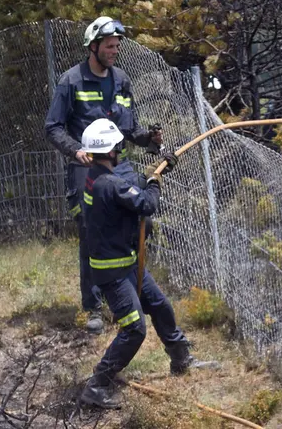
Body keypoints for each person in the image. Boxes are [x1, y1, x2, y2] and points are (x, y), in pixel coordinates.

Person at [78, 119, 212, 409]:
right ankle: (97, 384)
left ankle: (181, 358)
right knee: (134, 330)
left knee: (160, 305)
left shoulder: (96, 177)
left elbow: (127, 189)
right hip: (114, 274)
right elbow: (146, 203)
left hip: (125, 265)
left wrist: (155, 171)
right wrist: (154, 182)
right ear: (113, 149)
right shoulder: (108, 184)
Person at [44, 16, 163, 334]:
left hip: (122, 166)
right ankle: (94, 307)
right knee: (92, 234)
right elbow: (52, 127)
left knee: (139, 225)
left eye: (117, 46)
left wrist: (149, 141)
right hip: (87, 169)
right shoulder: (71, 81)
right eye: (110, 46)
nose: (115, 51)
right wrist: (75, 151)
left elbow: (130, 128)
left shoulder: (122, 80)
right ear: (93, 47)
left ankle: (129, 296)